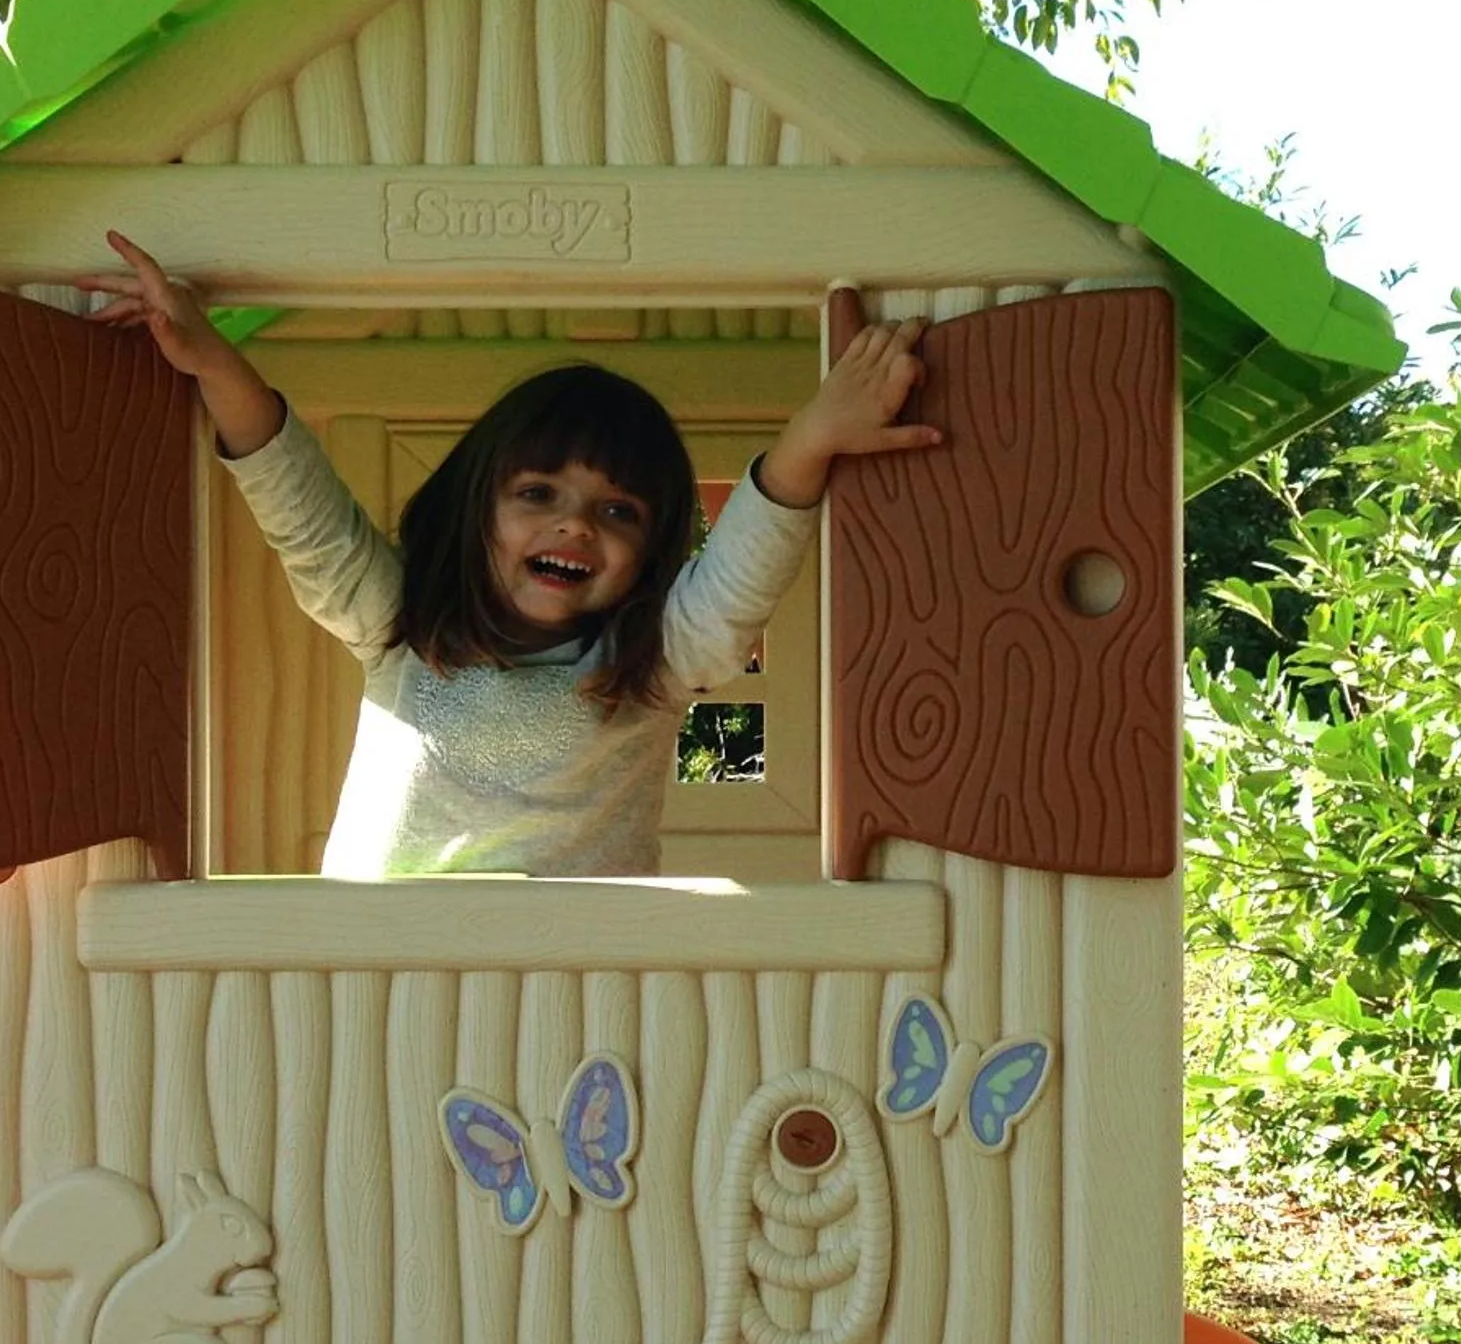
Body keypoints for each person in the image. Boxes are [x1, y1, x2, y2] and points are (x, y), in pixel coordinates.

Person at [92, 232, 937, 878]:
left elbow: (739, 578)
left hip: (571, 1000)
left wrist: (813, 439)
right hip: (378, 982)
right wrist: (208, 357)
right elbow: (301, 508)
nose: (575, 527)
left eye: (617, 511)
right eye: (538, 495)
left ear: (650, 555)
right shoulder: (402, 627)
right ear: (477, 512)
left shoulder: (653, 664)